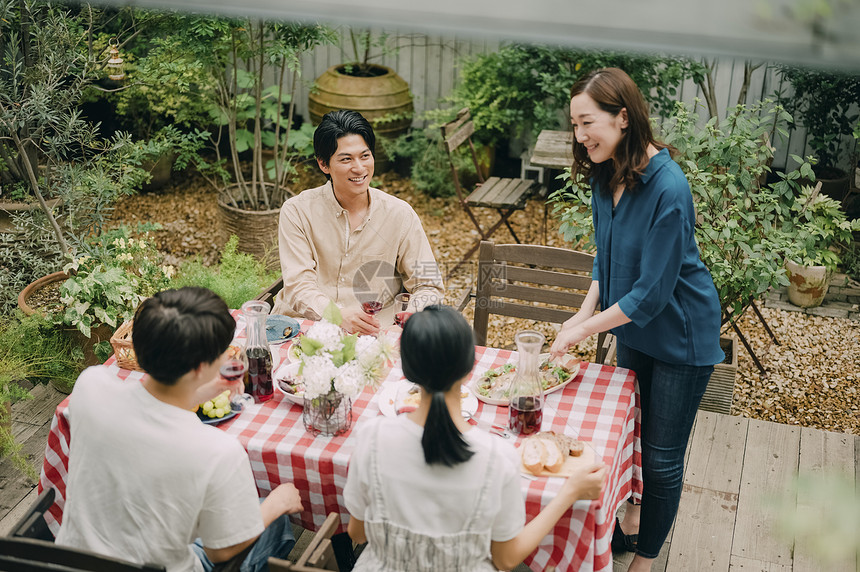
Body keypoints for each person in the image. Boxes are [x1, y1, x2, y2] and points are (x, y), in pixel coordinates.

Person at [549, 68, 725, 572]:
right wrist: (579, 315)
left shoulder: (669, 187)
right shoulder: (604, 176)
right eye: (575, 126)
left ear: (622, 117)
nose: (581, 137)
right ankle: (631, 517)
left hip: (680, 332)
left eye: (588, 123)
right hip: (630, 325)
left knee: (662, 456)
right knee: (631, 434)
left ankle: (646, 559)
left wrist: (584, 330)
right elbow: (606, 262)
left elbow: (651, 293)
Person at [55, 287, 303, 572]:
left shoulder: (91, 385)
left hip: (74, 562)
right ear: (200, 367)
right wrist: (277, 504)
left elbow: (147, 417)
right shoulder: (218, 452)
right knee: (275, 517)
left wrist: (199, 391)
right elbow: (222, 550)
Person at [343, 305, 607, 571]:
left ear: (407, 370)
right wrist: (570, 492)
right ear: (470, 370)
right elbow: (506, 559)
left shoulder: (371, 437)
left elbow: (358, 533)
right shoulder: (496, 456)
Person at [272, 109, 444, 335]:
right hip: (303, 328)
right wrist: (336, 315)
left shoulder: (400, 215)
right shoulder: (297, 212)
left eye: (365, 156)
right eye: (346, 159)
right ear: (324, 164)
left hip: (374, 334)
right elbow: (298, 286)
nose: (359, 168)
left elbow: (428, 284)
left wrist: (411, 315)